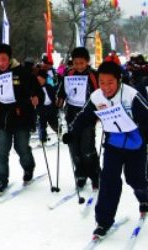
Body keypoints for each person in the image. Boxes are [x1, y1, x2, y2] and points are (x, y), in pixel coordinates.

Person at [62, 61, 148, 238]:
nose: (106, 87)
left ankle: (144, 197)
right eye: (102, 82)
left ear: (119, 80)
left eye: (110, 82)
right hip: (113, 146)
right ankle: (103, 221)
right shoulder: (96, 97)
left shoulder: (132, 95)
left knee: (135, 179)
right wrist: (72, 133)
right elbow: (84, 117)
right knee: (108, 180)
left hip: (135, 145)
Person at [0, 44, 41, 195]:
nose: (1, 63)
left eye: (4, 59)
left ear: (10, 58)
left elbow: (36, 89)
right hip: (3, 118)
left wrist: (36, 97)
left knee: (21, 148)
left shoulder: (22, 73)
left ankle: (28, 167)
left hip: (22, 117)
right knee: (1, 150)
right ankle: (1, 179)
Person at [56, 47, 101, 189]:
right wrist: (60, 100)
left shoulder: (93, 75)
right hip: (71, 115)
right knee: (74, 147)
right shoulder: (68, 73)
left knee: (87, 147)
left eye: (82, 63)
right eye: (76, 63)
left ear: (87, 62)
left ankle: (94, 174)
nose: (79, 66)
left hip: (88, 116)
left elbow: (99, 93)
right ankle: (80, 173)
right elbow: (62, 91)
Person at [36, 69, 58, 142]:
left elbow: (54, 96)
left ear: (45, 79)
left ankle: (59, 132)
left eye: (41, 79)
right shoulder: (36, 89)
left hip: (50, 108)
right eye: (38, 80)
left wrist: (56, 105)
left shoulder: (49, 87)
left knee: (54, 123)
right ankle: (43, 139)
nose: (40, 81)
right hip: (41, 109)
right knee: (42, 124)